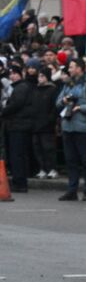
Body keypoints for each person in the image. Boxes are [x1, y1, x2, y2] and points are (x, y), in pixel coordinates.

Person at [56, 58, 86, 201]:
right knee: (71, 160)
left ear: (80, 68)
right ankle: (72, 190)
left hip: (84, 127)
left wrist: (81, 107)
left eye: (71, 67)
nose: (69, 70)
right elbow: (57, 103)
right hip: (68, 126)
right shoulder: (68, 84)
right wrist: (63, 101)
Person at [2, 63, 37, 192]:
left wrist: (3, 111)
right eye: (10, 74)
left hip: (19, 125)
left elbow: (16, 104)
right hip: (16, 124)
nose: (12, 76)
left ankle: (20, 182)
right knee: (16, 155)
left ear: (20, 74)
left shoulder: (21, 87)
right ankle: (19, 181)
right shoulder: (16, 87)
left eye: (15, 73)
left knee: (18, 155)